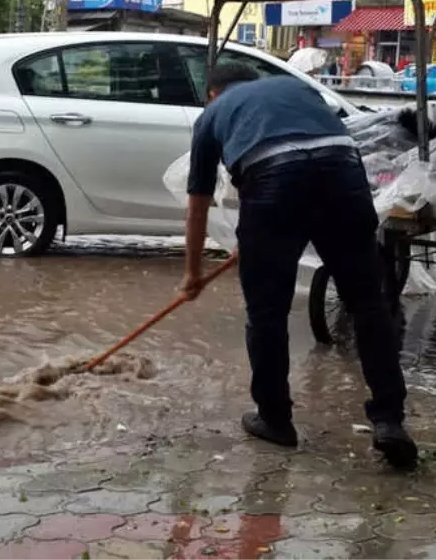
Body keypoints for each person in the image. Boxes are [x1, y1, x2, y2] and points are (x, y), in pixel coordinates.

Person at [178, 62, 418, 470]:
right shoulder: (294, 89)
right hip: (343, 174)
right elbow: (314, 142)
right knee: (368, 305)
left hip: (274, 182)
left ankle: (275, 420)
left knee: (267, 313)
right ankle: (389, 420)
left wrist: (192, 274)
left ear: (213, 93)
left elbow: (197, 208)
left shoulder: (211, 116)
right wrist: (253, 240)